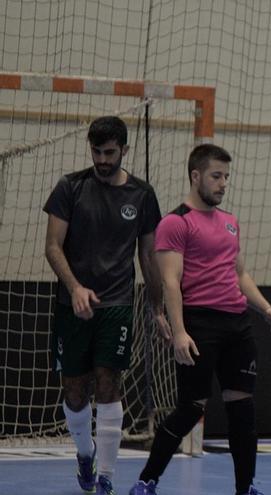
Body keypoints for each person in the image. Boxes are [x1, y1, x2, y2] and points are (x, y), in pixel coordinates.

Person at [128, 144, 271, 495]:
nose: (223, 183)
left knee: (242, 411)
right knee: (189, 410)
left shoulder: (230, 222)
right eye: (216, 176)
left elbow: (239, 274)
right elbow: (170, 281)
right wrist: (180, 332)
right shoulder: (175, 222)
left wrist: (266, 307)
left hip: (237, 326)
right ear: (196, 176)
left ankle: (246, 488)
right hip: (200, 326)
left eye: (226, 177)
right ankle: (146, 480)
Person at [44, 115, 170, 495]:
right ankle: (85, 454)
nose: (102, 159)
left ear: (124, 151)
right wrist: (76, 287)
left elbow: (149, 257)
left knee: (109, 384)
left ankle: (107, 478)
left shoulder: (142, 195)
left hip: (116, 304)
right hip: (72, 305)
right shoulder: (70, 188)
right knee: (75, 392)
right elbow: (52, 247)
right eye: (96, 151)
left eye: (109, 152)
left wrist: (159, 310)